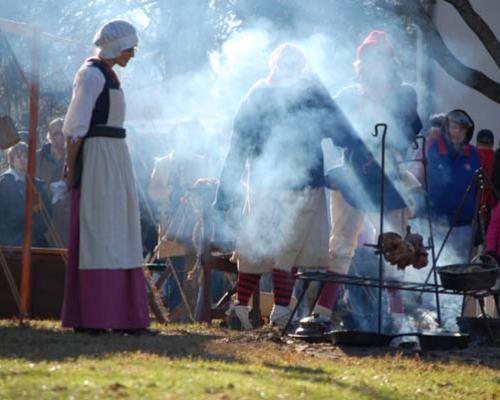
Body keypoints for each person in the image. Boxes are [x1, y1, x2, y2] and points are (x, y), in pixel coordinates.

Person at [214, 43, 359, 330]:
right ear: (275, 66)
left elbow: (341, 130)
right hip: (281, 184)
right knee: (275, 249)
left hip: (281, 183)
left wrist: (357, 155)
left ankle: (250, 310)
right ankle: (268, 312)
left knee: (271, 248)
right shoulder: (293, 95)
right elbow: (342, 130)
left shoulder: (294, 95)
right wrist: (225, 188)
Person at [317, 31, 423, 328]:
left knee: (397, 247)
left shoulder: (404, 94)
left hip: (390, 177)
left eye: (379, 57)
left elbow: (406, 128)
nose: (373, 63)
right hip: (354, 176)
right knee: (340, 246)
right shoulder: (348, 94)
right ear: (360, 63)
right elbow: (329, 124)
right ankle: (323, 313)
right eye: (368, 57)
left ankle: (398, 318)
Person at [61, 20, 151, 334]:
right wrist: (72, 168)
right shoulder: (90, 75)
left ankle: (124, 314)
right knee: (99, 233)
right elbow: (75, 129)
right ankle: (94, 315)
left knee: (120, 230)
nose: (132, 54)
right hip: (98, 159)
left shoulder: (109, 75)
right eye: (129, 48)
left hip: (113, 158)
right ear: (114, 46)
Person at [426, 109, 480, 262]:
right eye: (454, 127)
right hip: (440, 223)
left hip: (466, 225)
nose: (457, 132)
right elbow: (427, 182)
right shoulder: (435, 149)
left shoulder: (474, 153)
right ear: (447, 128)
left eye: (462, 129)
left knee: (463, 268)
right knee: (439, 265)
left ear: (468, 131)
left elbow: (480, 187)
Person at [0, 142, 51, 247]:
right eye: (18, 156)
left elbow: (47, 213)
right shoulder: (3, 184)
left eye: (26, 156)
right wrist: (11, 241)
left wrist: (34, 234)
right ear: (12, 160)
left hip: (35, 240)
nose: (22, 160)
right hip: (10, 244)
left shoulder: (37, 185)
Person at [36, 117, 70, 247]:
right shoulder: (37, 158)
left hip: (66, 218)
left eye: (63, 133)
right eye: (56, 133)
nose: (60, 137)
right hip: (42, 217)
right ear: (49, 136)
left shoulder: (73, 157)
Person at [475, 129, 497, 228]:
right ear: (492, 144)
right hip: (493, 206)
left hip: (474, 206)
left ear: (476, 143)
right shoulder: (496, 157)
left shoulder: (472, 157)